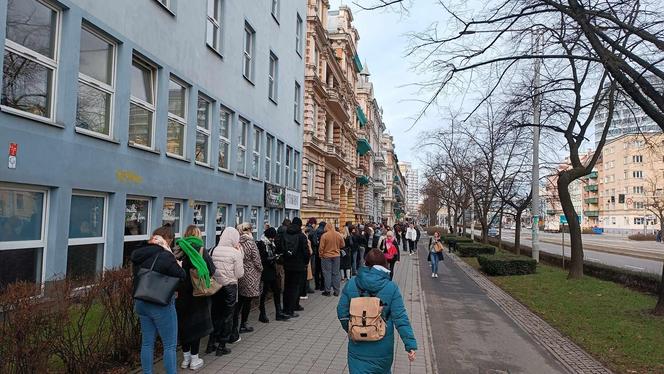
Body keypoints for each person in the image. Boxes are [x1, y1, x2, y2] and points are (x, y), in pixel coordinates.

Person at [336, 249, 417, 373]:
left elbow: (342, 311)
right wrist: (410, 344)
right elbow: (400, 317)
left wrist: (352, 328)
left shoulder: (352, 283)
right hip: (382, 345)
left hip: (357, 346)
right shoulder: (391, 287)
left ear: (366, 263)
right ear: (384, 264)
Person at [131, 225, 186, 374]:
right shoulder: (165, 255)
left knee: (147, 343)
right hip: (160, 304)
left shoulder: (140, 252)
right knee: (169, 345)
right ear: (167, 239)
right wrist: (178, 265)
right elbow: (182, 276)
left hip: (141, 301)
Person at [174, 225, 216, 370]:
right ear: (198, 235)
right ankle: (194, 358)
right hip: (197, 294)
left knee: (184, 325)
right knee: (196, 326)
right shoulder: (201, 250)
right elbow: (211, 269)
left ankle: (185, 359)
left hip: (181, 294)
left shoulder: (178, 249)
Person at [208, 227, 244, 356]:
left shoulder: (213, 249)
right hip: (230, 287)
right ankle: (222, 345)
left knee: (215, 314)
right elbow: (240, 274)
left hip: (216, 287)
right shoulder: (235, 253)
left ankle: (211, 343)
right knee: (228, 316)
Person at [234, 223, 263, 336]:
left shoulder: (237, 242)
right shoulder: (251, 243)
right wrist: (260, 269)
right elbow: (257, 259)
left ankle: (234, 325)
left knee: (239, 300)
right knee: (247, 300)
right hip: (251, 274)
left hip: (240, 272)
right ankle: (243, 324)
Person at [257, 227, 290, 323]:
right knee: (264, 293)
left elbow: (274, 253)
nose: (273, 239)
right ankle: (262, 314)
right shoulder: (262, 244)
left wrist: (277, 257)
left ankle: (278, 313)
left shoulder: (271, 243)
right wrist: (271, 258)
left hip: (272, 271)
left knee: (277, 290)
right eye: (271, 237)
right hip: (265, 272)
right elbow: (262, 259)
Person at [281, 217, 310, 317]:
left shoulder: (285, 233)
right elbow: (306, 252)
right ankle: (292, 309)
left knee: (287, 286)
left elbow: (281, 248)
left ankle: (285, 308)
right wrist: (305, 262)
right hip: (299, 266)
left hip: (287, 265)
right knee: (295, 287)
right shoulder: (302, 236)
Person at [319, 223, 345, 296]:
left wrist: (321, 255)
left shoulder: (324, 236)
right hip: (336, 256)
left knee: (327, 273)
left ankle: (327, 291)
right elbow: (343, 245)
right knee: (336, 273)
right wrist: (337, 247)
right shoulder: (338, 234)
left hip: (326, 256)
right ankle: (336, 291)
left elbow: (321, 248)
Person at [313, 221, 327, 290]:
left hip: (317, 253)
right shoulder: (325, 232)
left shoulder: (315, 231)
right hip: (323, 253)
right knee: (323, 270)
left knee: (317, 270)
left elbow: (314, 242)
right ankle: (322, 286)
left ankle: (317, 286)